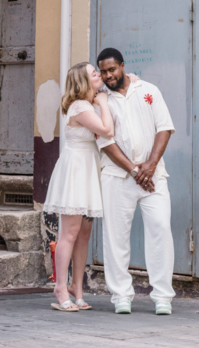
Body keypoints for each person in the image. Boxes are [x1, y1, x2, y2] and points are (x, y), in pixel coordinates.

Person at [96, 46, 176, 316]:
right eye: (103, 72)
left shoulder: (148, 90)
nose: (108, 76)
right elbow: (106, 142)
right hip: (118, 176)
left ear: (122, 66)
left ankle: (163, 296)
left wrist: (150, 166)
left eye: (112, 69)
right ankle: (121, 295)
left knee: (160, 228)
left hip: (154, 177)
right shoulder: (100, 100)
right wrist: (134, 171)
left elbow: (164, 127)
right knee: (116, 235)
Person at [42, 61, 114, 312]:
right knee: (69, 233)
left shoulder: (89, 103)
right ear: (83, 82)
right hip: (76, 171)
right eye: (95, 74)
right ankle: (60, 286)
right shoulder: (80, 106)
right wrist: (103, 103)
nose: (100, 75)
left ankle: (77, 288)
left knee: (84, 234)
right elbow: (106, 131)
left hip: (88, 169)